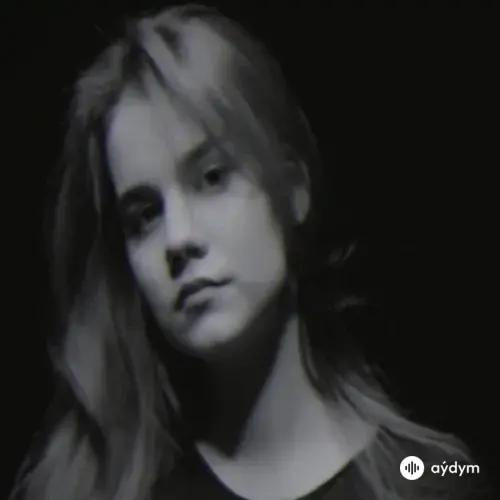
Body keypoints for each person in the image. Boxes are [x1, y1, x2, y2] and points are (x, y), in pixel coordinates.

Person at [9, 4, 493, 500]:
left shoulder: (435, 481)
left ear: (293, 188)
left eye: (212, 177)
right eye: (144, 216)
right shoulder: (92, 488)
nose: (178, 239)